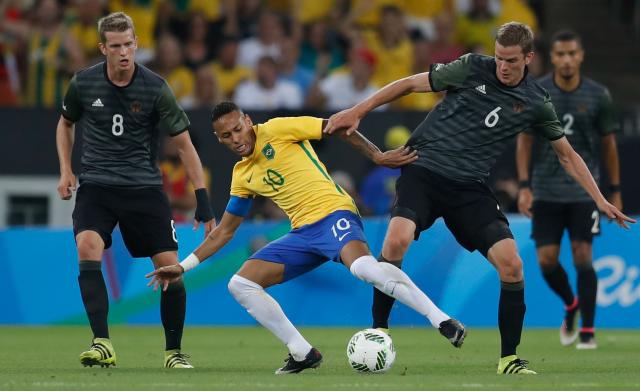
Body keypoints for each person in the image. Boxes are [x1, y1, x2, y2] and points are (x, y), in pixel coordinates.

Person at [324, 22, 634, 375]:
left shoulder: (535, 102)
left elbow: (567, 155)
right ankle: (379, 331)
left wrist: (599, 198)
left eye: (511, 60)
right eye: (500, 58)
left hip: (469, 188)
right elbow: (409, 84)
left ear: (529, 58)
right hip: (423, 170)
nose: (502, 66)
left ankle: (508, 359)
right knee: (395, 242)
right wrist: (358, 111)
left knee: (512, 264)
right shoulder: (471, 67)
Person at [147, 101, 467, 375]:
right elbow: (226, 231)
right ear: (219, 139)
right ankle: (302, 352)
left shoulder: (279, 129)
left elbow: (338, 126)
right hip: (302, 234)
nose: (236, 138)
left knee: (364, 269)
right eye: (226, 136)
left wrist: (378, 156)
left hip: (333, 214)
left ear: (247, 120)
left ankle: (441, 320)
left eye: (237, 129)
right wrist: (183, 266)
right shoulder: (243, 175)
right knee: (240, 284)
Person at [56, 12, 215, 369]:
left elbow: (186, 145)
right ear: (103, 48)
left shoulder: (155, 87)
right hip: (97, 185)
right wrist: (66, 170)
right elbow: (65, 124)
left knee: (170, 267)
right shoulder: (83, 83)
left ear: (136, 44)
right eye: (116, 46)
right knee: (87, 244)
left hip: (143, 187)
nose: (124, 52)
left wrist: (202, 199)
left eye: (129, 44)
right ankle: (101, 342)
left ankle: (173, 352)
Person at [516, 30, 622, 350]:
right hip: (545, 190)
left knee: (582, 255)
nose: (566, 60)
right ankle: (571, 303)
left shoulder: (598, 95)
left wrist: (613, 191)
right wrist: (524, 186)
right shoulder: (537, 91)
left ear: (581, 56)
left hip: (582, 193)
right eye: (560, 54)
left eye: (571, 54)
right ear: (553, 58)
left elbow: (609, 145)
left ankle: (587, 330)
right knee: (547, 260)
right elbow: (525, 140)